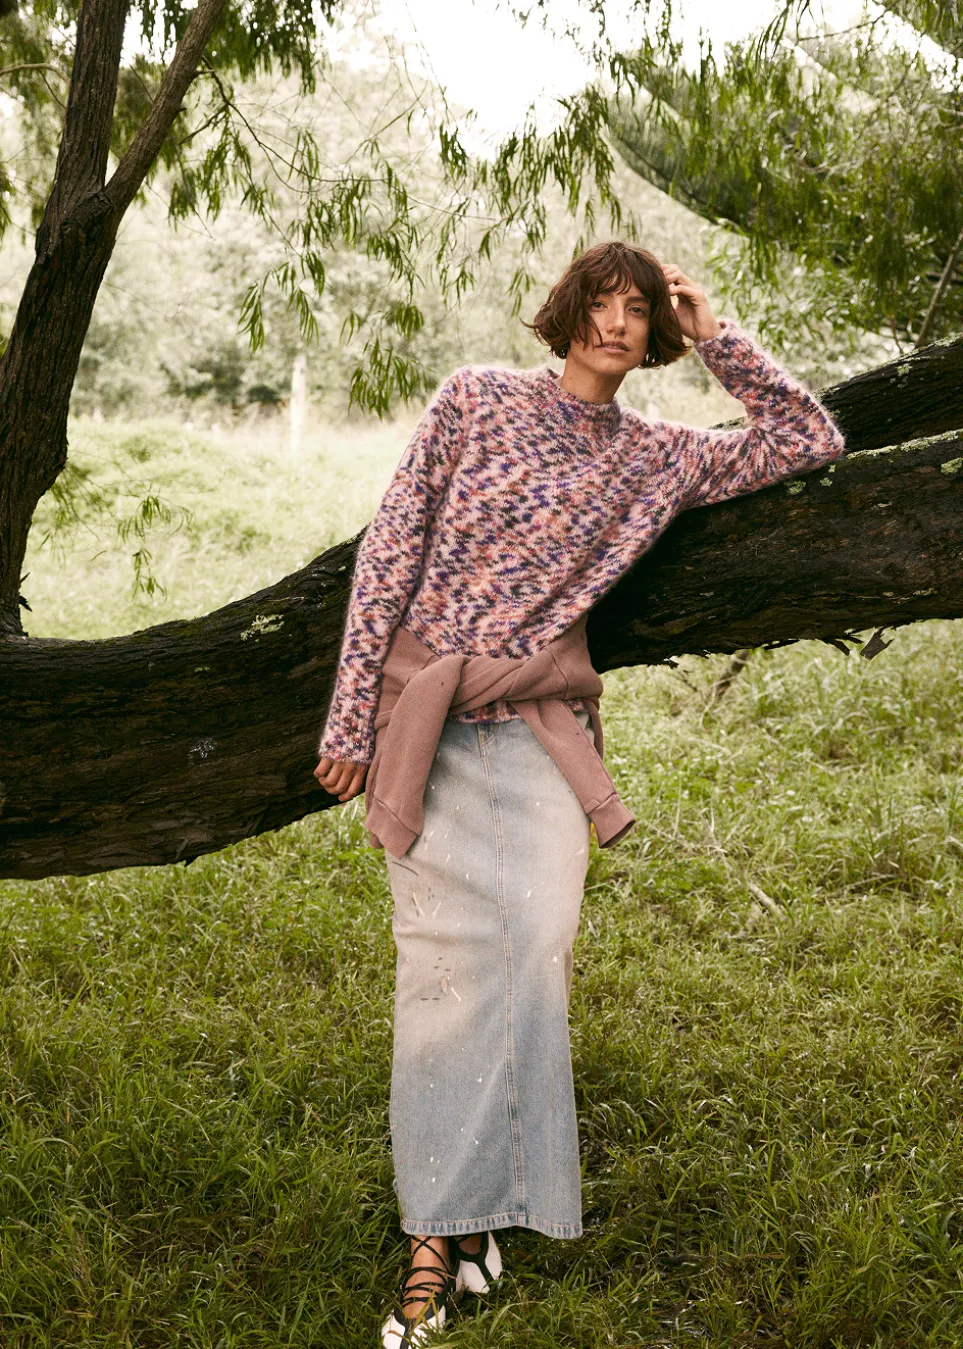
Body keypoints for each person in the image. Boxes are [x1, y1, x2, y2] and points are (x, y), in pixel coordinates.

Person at [314, 241, 845, 1347]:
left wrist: (718, 336)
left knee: (535, 951)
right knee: (442, 976)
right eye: (601, 302)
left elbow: (808, 439)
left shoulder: (656, 455)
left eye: (638, 309)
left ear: (654, 333)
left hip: (540, 735)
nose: (616, 322)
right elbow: (389, 553)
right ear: (566, 311)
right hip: (428, 723)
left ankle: (483, 1204)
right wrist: (351, 715)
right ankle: (435, 1237)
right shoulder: (475, 397)